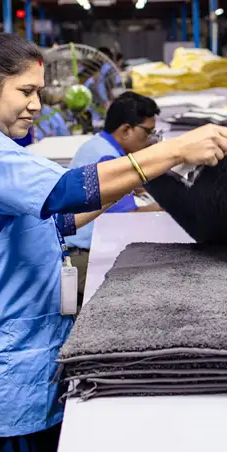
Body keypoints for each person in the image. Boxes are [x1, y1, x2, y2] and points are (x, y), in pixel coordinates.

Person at [0, 31, 227, 452]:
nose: (37, 104)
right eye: (26, 91)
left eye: (39, 92)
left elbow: (60, 217)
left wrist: (146, 176)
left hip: (15, 365)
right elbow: (64, 191)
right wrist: (172, 151)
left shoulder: (1, 149)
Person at [67, 91, 163, 302]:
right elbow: (130, 215)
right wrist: (171, 204)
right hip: (82, 257)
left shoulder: (100, 145)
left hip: (78, 248)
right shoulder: (107, 158)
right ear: (126, 129)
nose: (150, 140)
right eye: (147, 132)